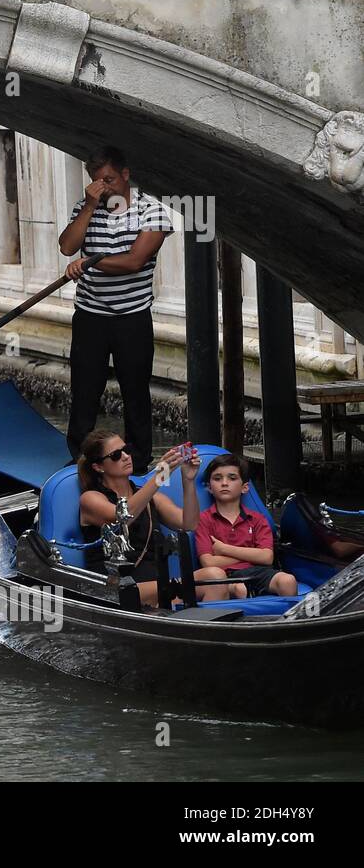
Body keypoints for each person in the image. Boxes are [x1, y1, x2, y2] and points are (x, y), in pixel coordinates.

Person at [60, 146, 175, 473]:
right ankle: (82, 459)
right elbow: (67, 246)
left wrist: (89, 263)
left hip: (132, 318)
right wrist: (90, 206)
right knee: (84, 390)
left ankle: (137, 460)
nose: (104, 186)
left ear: (125, 175)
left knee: (135, 391)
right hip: (90, 316)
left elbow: (134, 261)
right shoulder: (85, 208)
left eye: (109, 179)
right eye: (97, 181)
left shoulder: (151, 212)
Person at [77, 430, 232, 607]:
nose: (126, 457)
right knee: (211, 578)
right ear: (98, 467)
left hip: (156, 585)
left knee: (215, 578)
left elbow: (188, 523)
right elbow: (122, 519)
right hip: (115, 588)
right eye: (116, 455)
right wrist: (159, 477)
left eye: (126, 450)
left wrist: (188, 480)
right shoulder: (90, 499)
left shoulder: (152, 499)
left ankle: (198, 629)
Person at [194, 454, 299, 599]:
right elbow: (208, 562)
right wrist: (253, 554)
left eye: (232, 478)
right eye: (217, 479)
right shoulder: (204, 519)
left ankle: (289, 620)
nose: (224, 483)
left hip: (259, 571)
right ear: (210, 488)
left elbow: (267, 557)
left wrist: (223, 549)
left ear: (244, 487)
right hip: (226, 575)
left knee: (288, 581)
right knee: (240, 589)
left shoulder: (257, 519)